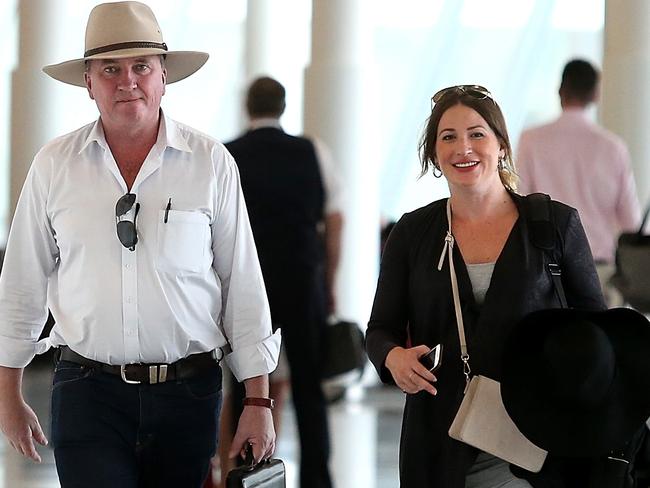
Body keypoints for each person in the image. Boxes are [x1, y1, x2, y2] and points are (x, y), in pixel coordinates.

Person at [0, 3, 280, 487]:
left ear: (163, 76)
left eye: (141, 67)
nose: (126, 80)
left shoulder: (210, 162)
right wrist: (8, 394)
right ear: (88, 82)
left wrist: (258, 401)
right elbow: (23, 280)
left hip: (189, 394)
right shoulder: (53, 166)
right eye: (110, 69)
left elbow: (242, 283)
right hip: (86, 393)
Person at [365, 84, 606, 487]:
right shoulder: (413, 233)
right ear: (434, 155)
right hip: (442, 439)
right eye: (448, 137)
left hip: (536, 441)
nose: (464, 148)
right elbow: (379, 330)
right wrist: (393, 358)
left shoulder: (553, 226)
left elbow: (597, 333)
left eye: (477, 134)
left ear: (501, 145)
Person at [220, 76, 341, 488]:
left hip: (248, 288)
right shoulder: (311, 151)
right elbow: (335, 218)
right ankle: (318, 479)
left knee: (246, 386)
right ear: (284, 107)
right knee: (309, 387)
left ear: (247, 107)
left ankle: (246, 473)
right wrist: (330, 279)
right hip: (303, 278)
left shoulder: (227, 156)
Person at [516, 59, 641, 306]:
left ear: (560, 90)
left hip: (546, 269)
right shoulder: (613, 147)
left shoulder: (531, 141)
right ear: (595, 94)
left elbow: (519, 201)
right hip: (599, 271)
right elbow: (632, 224)